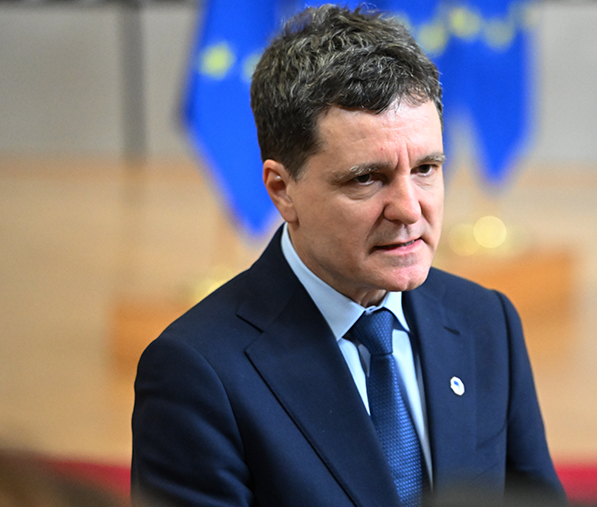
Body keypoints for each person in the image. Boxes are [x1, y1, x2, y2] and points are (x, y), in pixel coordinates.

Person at [131, 5, 563, 507]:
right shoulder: (196, 373)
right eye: (367, 178)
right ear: (282, 189)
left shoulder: (486, 321)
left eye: (425, 169)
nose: (409, 209)